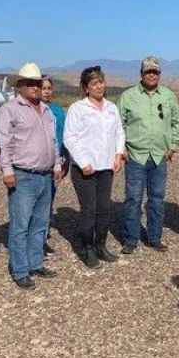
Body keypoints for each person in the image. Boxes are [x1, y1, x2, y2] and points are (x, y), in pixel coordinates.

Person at [0, 63, 63, 290]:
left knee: (40, 223)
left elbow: (53, 141)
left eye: (38, 83)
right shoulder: (10, 109)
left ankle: (36, 263)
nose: (36, 87)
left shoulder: (46, 111)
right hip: (23, 175)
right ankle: (20, 269)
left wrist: (56, 164)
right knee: (21, 225)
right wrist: (7, 171)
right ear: (20, 85)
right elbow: (4, 142)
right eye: (31, 83)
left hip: (45, 175)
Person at [117, 56, 179, 254]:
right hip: (135, 156)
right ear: (141, 74)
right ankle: (131, 239)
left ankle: (154, 238)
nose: (152, 75)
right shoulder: (128, 96)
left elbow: (177, 122)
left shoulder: (168, 96)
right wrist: (122, 149)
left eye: (155, 72)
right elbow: (118, 125)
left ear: (159, 74)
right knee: (133, 199)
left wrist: (173, 146)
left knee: (156, 199)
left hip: (159, 156)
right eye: (148, 72)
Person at [64, 66, 125, 269]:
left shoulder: (111, 108)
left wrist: (118, 154)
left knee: (104, 209)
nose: (99, 86)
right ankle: (87, 247)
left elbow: (119, 133)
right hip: (85, 170)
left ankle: (101, 244)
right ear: (85, 88)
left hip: (106, 166)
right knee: (89, 210)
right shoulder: (78, 109)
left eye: (101, 82)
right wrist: (83, 162)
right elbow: (69, 138)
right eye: (94, 83)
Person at [40, 76, 68, 255]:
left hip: (56, 162)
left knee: (49, 199)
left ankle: (43, 236)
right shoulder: (34, 110)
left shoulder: (58, 111)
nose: (47, 91)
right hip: (37, 163)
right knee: (36, 202)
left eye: (49, 88)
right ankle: (34, 238)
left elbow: (65, 135)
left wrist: (66, 160)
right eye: (43, 88)